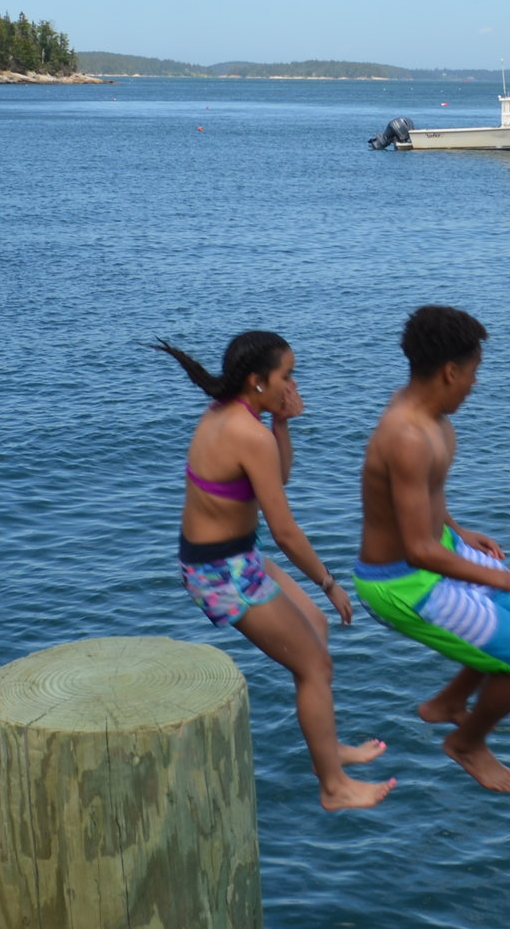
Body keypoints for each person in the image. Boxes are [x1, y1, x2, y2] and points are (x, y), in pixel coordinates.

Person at [155, 331, 393, 811]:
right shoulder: (246, 432)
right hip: (220, 572)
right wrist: (328, 582)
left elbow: (277, 476)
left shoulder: (239, 416)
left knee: (316, 633)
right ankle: (332, 786)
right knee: (314, 665)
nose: (293, 382)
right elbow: (285, 531)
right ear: (256, 379)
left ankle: (327, 750)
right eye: (286, 375)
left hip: (237, 556)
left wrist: (283, 421)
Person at [355, 306, 510, 793]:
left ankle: (449, 702)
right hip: (402, 583)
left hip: (439, 549)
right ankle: (467, 743)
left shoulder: (427, 414)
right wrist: (505, 578)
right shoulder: (407, 435)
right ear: (450, 372)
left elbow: (421, 498)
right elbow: (416, 550)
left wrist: (457, 528)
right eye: (474, 372)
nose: (476, 384)